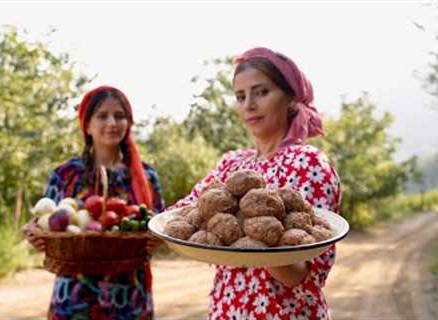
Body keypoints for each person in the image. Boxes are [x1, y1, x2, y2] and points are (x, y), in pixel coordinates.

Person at [171, 47, 341, 319]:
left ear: (291, 99)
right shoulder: (232, 163)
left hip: (285, 313)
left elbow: (307, 274)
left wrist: (259, 246)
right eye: (241, 96)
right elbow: (183, 213)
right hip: (227, 311)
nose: (249, 104)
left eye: (261, 92)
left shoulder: (308, 163)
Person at [23, 85, 165, 319]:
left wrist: (155, 240)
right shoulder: (65, 174)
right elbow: (43, 223)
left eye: (120, 116)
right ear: (87, 125)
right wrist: (36, 237)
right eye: (102, 115)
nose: (112, 122)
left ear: (129, 123)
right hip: (75, 295)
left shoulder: (146, 176)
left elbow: (160, 225)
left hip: (129, 294)